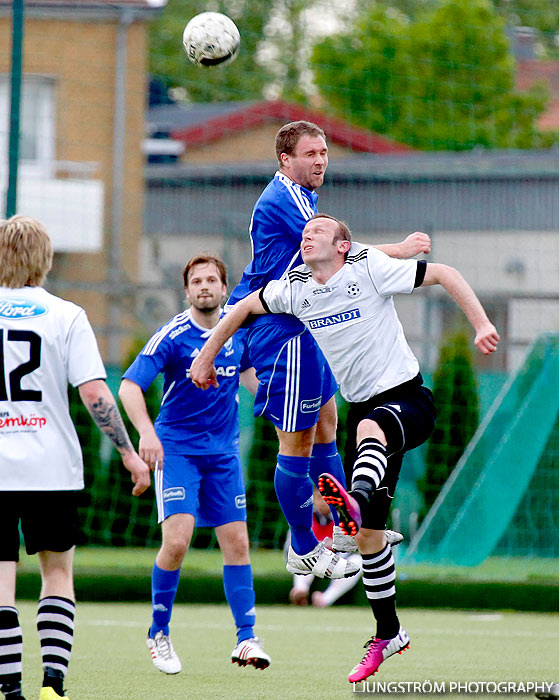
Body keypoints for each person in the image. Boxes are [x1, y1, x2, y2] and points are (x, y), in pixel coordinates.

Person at [189, 213, 500, 683]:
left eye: (318, 230)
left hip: (407, 399)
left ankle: (351, 504)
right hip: (364, 410)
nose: (306, 233)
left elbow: (443, 273)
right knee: (372, 540)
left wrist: (480, 325)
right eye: (304, 230)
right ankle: (387, 631)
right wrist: (207, 353)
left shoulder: (367, 266)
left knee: (369, 432)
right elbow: (245, 307)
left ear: (342, 246)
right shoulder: (296, 287)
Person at [222, 120, 431, 579]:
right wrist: (400, 249)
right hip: (283, 330)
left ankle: (343, 529)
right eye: (310, 154)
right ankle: (302, 547)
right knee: (296, 441)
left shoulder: (303, 197)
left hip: (303, 323)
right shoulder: (284, 199)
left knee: (327, 425)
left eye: (323, 153)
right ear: (285, 160)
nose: (320, 161)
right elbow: (338, 253)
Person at [0, 215, 151, 700]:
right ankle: (53, 685)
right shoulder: (67, 315)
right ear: (44, 260)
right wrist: (128, 453)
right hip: (51, 467)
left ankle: (9, 689)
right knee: (58, 574)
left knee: (1, 585)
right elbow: (93, 393)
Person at [118, 254, 271, 676]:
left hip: (222, 454)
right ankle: (159, 632)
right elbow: (129, 386)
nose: (204, 286)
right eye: (196, 281)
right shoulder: (172, 336)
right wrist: (146, 434)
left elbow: (256, 381)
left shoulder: (237, 334)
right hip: (177, 451)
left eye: (212, 280)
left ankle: (246, 638)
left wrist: (284, 407)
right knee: (178, 543)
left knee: (237, 544)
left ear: (224, 289)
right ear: (187, 291)